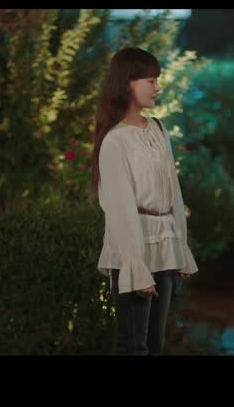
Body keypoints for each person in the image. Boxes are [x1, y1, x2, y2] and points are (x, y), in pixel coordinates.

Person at [91, 47, 198, 355]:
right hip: (134, 249)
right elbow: (120, 209)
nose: (157, 87)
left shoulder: (158, 129)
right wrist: (135, 267)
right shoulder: (115, 140)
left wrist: (180, 248)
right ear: (127, 83)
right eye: (151, 80)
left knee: (155, 344)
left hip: (163, 246)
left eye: (157, 80)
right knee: (133, 346)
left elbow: (173, 193)